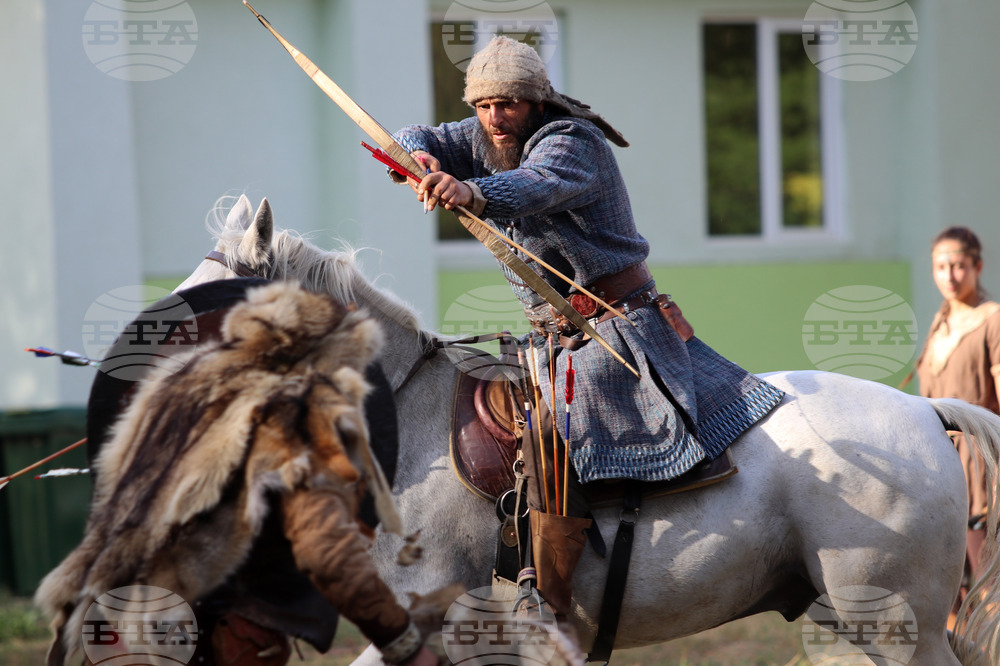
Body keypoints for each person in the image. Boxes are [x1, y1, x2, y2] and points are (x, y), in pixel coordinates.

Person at [393, 36, 784, 617]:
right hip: (554, 334)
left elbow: (535, 186)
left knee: (550, 434)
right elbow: (418, 136)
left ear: (535, 100)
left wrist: (470, 190)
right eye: (483, 105)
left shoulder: (573, 141)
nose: (495, 119)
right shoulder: (479, 135)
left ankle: (549, 602)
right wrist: (416, 157)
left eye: (508, 104)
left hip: (619, 328)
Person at [35, 283, 440, 666]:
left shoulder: (181, 387)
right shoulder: (298, 414)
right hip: (206, 634)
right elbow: (326, 552)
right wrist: (401, 641)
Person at [915, 226, 1000, 618]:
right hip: (938, 462)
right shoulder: (941, 322)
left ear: (978, 266)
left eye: (960, 266)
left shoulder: (992, 319)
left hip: (981, 463)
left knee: (986, 579)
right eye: (941, 266)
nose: (950, 275)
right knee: (945, 586)